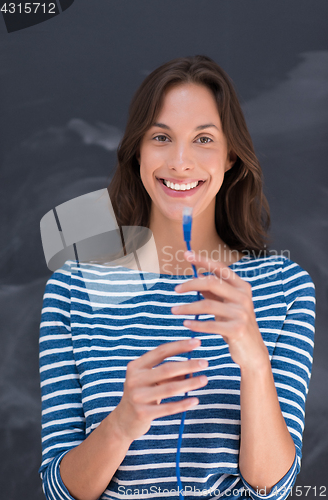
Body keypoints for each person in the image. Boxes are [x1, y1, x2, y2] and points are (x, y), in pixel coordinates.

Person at [38, 55, 315, 500]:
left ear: (230, 158)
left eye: (203, 138)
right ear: (138, 153)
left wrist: (254, 361)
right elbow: (60, 490)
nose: (181, 161)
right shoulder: (74, 289)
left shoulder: (285, 288)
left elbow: (275, 488)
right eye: (161, 137)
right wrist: (122, 423)